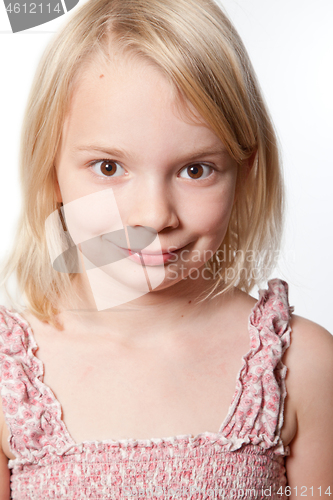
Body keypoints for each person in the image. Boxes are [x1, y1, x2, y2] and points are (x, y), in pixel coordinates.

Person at [0, 0, 332, 498]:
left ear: (244, 171)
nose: (154, 215)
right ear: (50, 168)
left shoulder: (300, 366)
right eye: (109, 167)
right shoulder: (10, 381)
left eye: (195, 169)